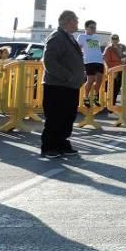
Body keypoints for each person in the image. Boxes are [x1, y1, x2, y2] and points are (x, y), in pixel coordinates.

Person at [40, 10, 86, 159]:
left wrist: (80, 75)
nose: (77, 24)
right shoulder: (57, 37)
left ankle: (61, 143)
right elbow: (49, 61)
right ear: (68, 21)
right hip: (57, 85)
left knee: (67, 116)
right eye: (76, 21)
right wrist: (68, 76)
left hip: (70, 86)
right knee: (55, 117)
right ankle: (49, 147)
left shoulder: (68, 38)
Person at [77, 19, 105, 107]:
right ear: (86, 28)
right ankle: (86, 97)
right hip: (89, 61)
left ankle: (95, 96)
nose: (94, 29)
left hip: (99, 61)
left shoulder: (96, 37)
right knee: (90, 80)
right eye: (92, 27)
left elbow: (97, 49)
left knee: (99, 80)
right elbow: (78, 48)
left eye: (95, 28)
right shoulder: (82, 36)